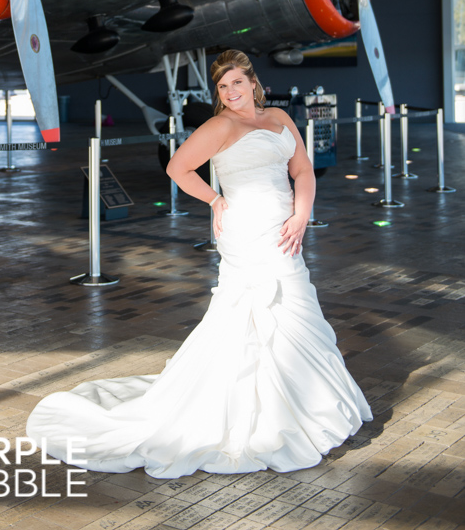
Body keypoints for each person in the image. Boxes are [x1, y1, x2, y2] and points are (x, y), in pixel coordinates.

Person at [26, 49, 372, 478]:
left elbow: (303, 171)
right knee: (252, 313)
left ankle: (306, 402)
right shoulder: (219, 125)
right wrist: (215, 199)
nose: (230, 92)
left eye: (237, 84)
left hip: (286, 230)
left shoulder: (280, 119)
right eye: (223, 87)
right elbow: (177, 167)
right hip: (246, 231)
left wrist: (301, 216)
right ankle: (260, 416)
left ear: (253, 82)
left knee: (294, 306)